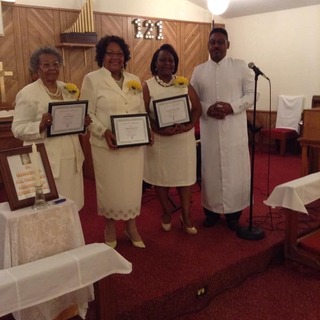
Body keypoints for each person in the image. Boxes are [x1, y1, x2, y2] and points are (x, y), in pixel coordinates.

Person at [80, 35, 146, 249]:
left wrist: (147, 131)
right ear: (102, 55)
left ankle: (131, 226)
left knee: (132, 187)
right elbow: (87, 114)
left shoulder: (134, 79)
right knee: (110, 187)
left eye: (119, 53)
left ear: (125, 56)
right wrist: (103, 131)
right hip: (106, 147)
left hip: (133, 146)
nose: (115, 57)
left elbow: (141, 110)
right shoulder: (92, 79)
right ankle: (109, 226)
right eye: (110, 53)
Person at [190, 27, 255, 231]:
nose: (216, 46)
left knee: (235, 172)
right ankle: (211, 212)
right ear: (208, 45)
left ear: (228, 44)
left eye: (220, 42)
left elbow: (253, 94)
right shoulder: (199, 71)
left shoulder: (241, 67)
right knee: (210, 171)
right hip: (209, 130)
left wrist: (231, 107)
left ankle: (234, 215)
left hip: (234, 130)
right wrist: (206, 108)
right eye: (212, 42)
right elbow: (192, 98)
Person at [12, 46, 91, 210]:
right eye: (46, 65)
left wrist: (82, 123)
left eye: (56, 64)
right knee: (53, 208)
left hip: (72, 157)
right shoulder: (27, 93)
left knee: (72, 205)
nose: (52, 68)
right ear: (37, 68)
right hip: (46, 159)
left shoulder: (67, 89)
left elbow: (71, 121)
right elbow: (17, 128)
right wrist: (39, 125)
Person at [143, 44, 202, 235]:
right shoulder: (148, 85)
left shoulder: (184, 83)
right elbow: (143, 113)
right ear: (155, 63)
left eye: (170, 60)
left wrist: (188, 125)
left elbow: (197, 109)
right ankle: (167, 212)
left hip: (183, 140)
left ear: (175, 63)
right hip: (160, 141)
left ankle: (185, 216)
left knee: (184, 179)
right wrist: (157, 128)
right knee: (161, 179)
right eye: (162, 59)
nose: (167, 63)